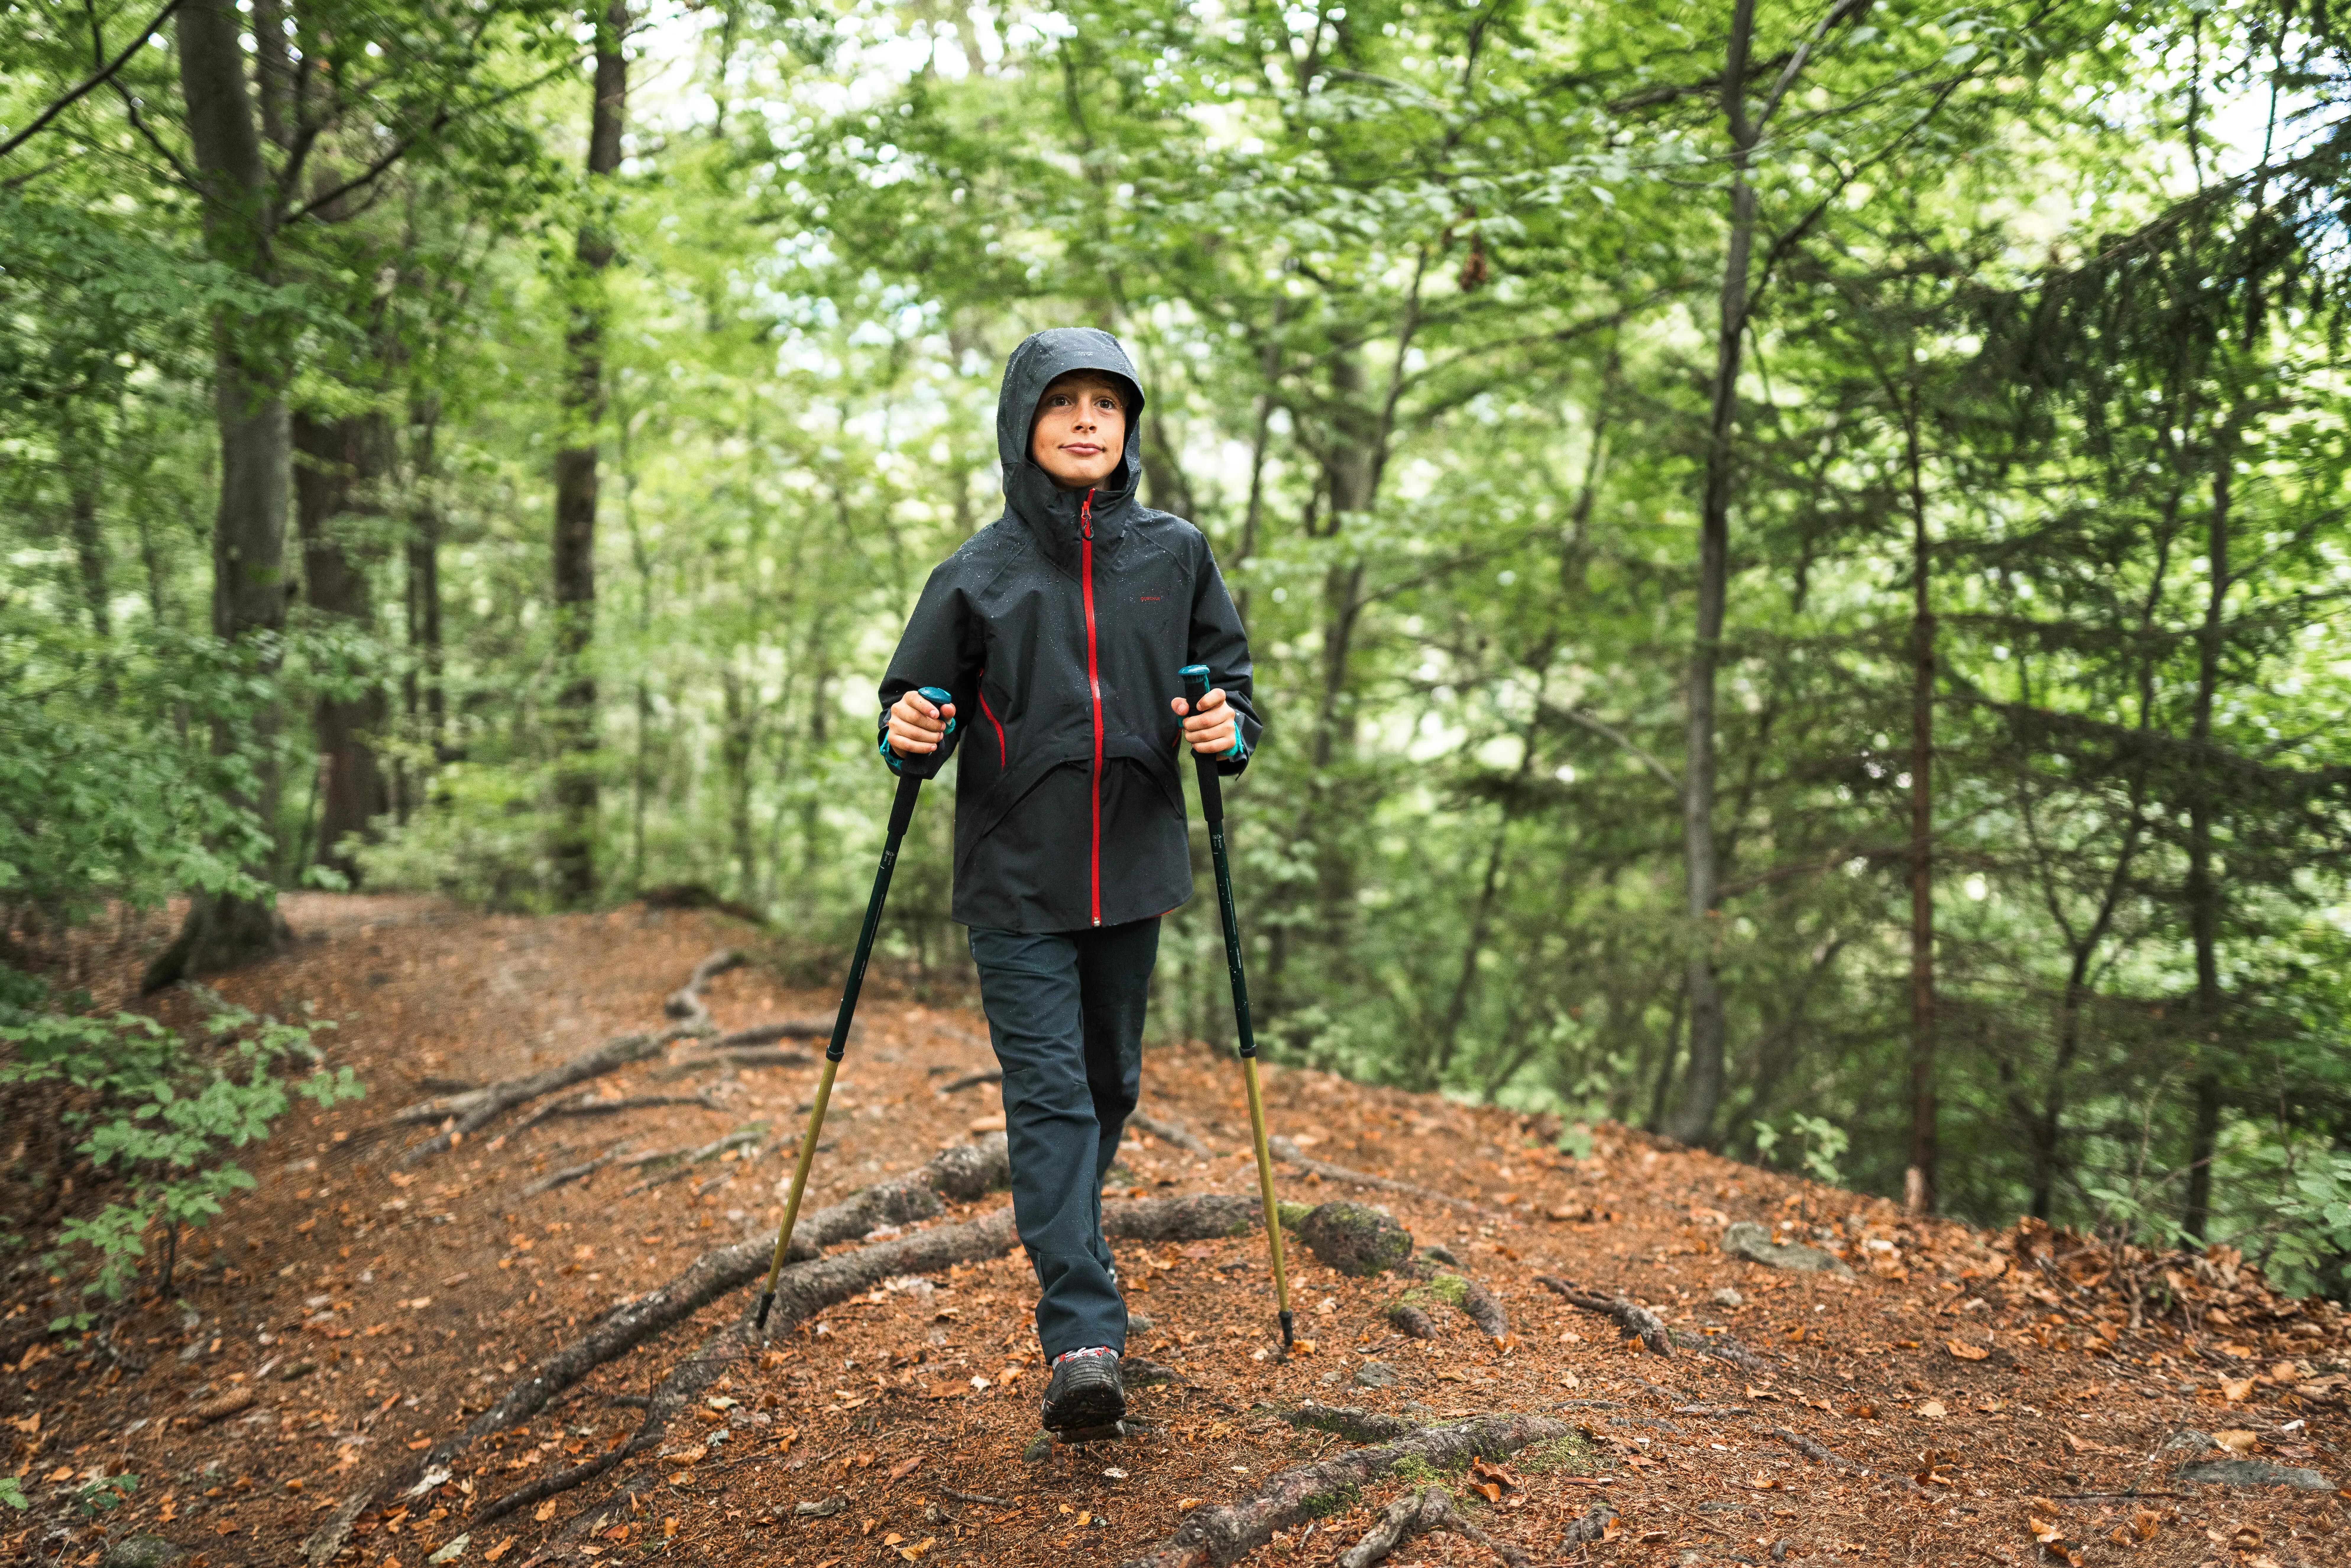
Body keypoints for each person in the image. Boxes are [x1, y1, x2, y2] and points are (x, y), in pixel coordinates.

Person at [877, 327, 1260, 1437]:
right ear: (1024, 425)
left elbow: (1231, 698)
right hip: (1017, 881)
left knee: (1109, 1090)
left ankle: (1067, 1229)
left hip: (1135, 869)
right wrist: (910, 731)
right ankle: (1084, 1336)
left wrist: (1223, 731)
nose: (1089, 420)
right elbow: (916, 714)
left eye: (1108, 402)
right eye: (1064, 403)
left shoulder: (1176, 555)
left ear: (1130, 425)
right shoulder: (978, 573)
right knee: (1050, 1100)